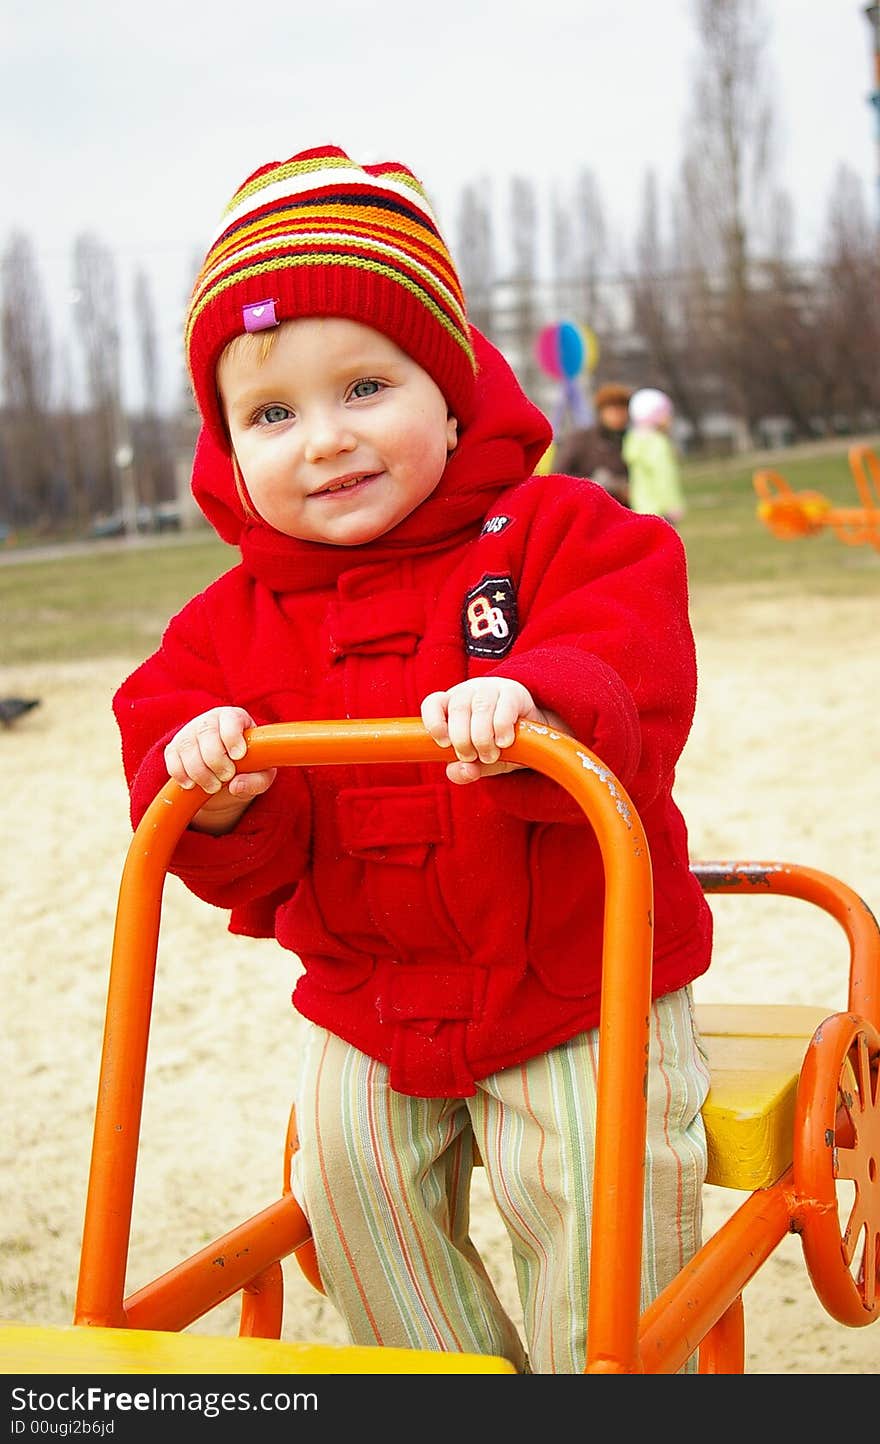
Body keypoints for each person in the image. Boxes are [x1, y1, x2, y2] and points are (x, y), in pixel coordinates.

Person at [112, 144, 713, 1375]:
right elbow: (164, 720)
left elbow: (629, 637)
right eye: (272, 414)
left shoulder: (555, 532)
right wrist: (213, 786)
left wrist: (533, 695)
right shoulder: (234, 616)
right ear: (227, 452)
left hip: (575, 979)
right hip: (368, 995)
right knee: (346, 1194)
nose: (323, 440)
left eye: (366, 387)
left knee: (601, 1215)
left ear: (450, 395)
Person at [552, 381, 633, 506]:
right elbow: (558, 476)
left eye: (621, 410)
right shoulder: (581, 439)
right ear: (601, 412)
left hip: (624, 511)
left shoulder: (633, 440)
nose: (617, 416)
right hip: (587, 508)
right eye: (612, 410)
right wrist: (597, 483)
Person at [623, 387, 686, 526]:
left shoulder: (634, 440)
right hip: (661, 510)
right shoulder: (657, 443)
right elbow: (663, 476)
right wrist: (672, 505)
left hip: (641, 508)